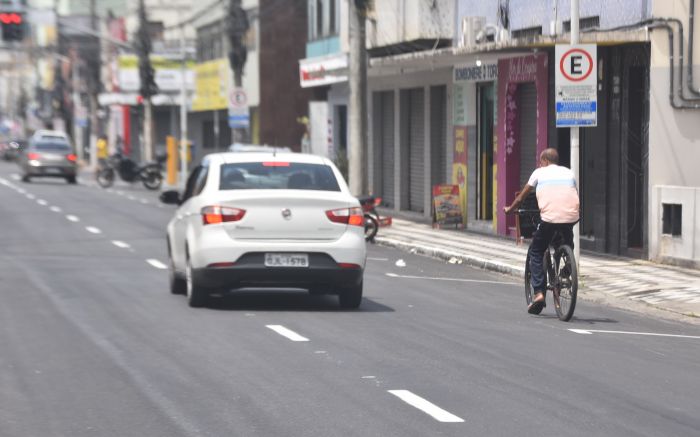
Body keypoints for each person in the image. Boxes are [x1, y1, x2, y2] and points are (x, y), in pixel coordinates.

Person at [504, 148, 580, 315]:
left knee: (536, 251)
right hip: (571, 216)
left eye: (540, 161)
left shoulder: (539, 172)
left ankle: (538, 293)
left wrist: (510, 209)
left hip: (549, 218)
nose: (540, 164)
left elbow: (521, 197)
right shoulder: (569, 173)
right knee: (566, 240)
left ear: (545, 161)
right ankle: (568, 266)